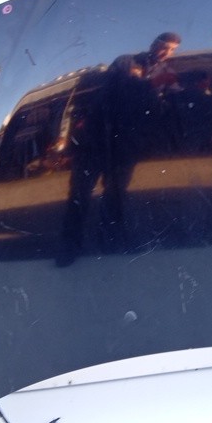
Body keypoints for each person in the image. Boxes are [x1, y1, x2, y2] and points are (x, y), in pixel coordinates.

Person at [58, 32, 182, 263]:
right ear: (154, 44)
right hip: (98, 137)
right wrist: (153, 84)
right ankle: (69, 246)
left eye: (172, 50)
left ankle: (111, 240)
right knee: (80, 192)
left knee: (116, 193)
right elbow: (118, 89)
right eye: (164, 47)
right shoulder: (127, 61)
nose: (166, 53)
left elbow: (164, 104)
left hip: (128, 142)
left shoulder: (166, 71)